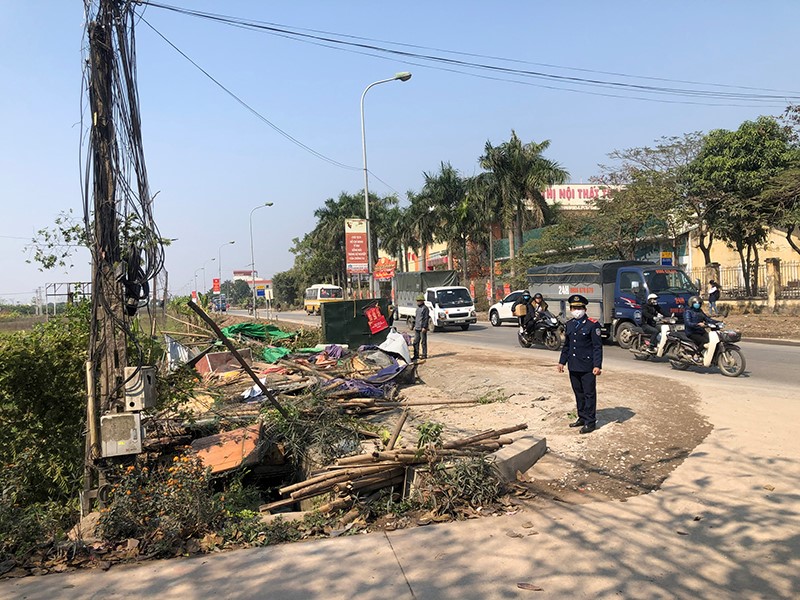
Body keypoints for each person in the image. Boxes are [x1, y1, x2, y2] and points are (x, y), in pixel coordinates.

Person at [557, 294, 603, 434]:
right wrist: (561, 362)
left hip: (588, 366)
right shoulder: (569, 324)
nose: (576, 310)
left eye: (579, 307)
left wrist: (597, 365)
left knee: (589, 394)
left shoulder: (592, 324)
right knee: (578, 393)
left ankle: (590, 422)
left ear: (584, 308)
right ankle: (582, 417)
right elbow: (567, 346)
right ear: (570, 309)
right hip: (574, 365)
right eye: (574, 308)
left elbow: (597, 347)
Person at [684, 295, 716, 360]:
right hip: (692, 332)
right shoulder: (688, 312)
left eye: (699, 303)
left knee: (712, 340)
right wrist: (697, 324)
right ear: (691, 304)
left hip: (701, 331)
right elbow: (688, 323)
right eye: (695, 303)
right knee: (704, 341)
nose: (697, 304)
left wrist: (717, 322)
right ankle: (697, 354)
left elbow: (707, 318)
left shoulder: (700, 311)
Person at [411, 293, 429, 361]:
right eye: (417, 300)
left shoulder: (425, 308)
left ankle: (424, 354)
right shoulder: (418, 308)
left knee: (423, 342)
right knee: (415, 342)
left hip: (422, 328)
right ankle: (416, 355)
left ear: (422, 301)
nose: (418, 302)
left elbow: (425, 318)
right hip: (417, 327)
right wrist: (414, 326)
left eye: (419, 300)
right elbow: (417, 318)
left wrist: (424, 327)